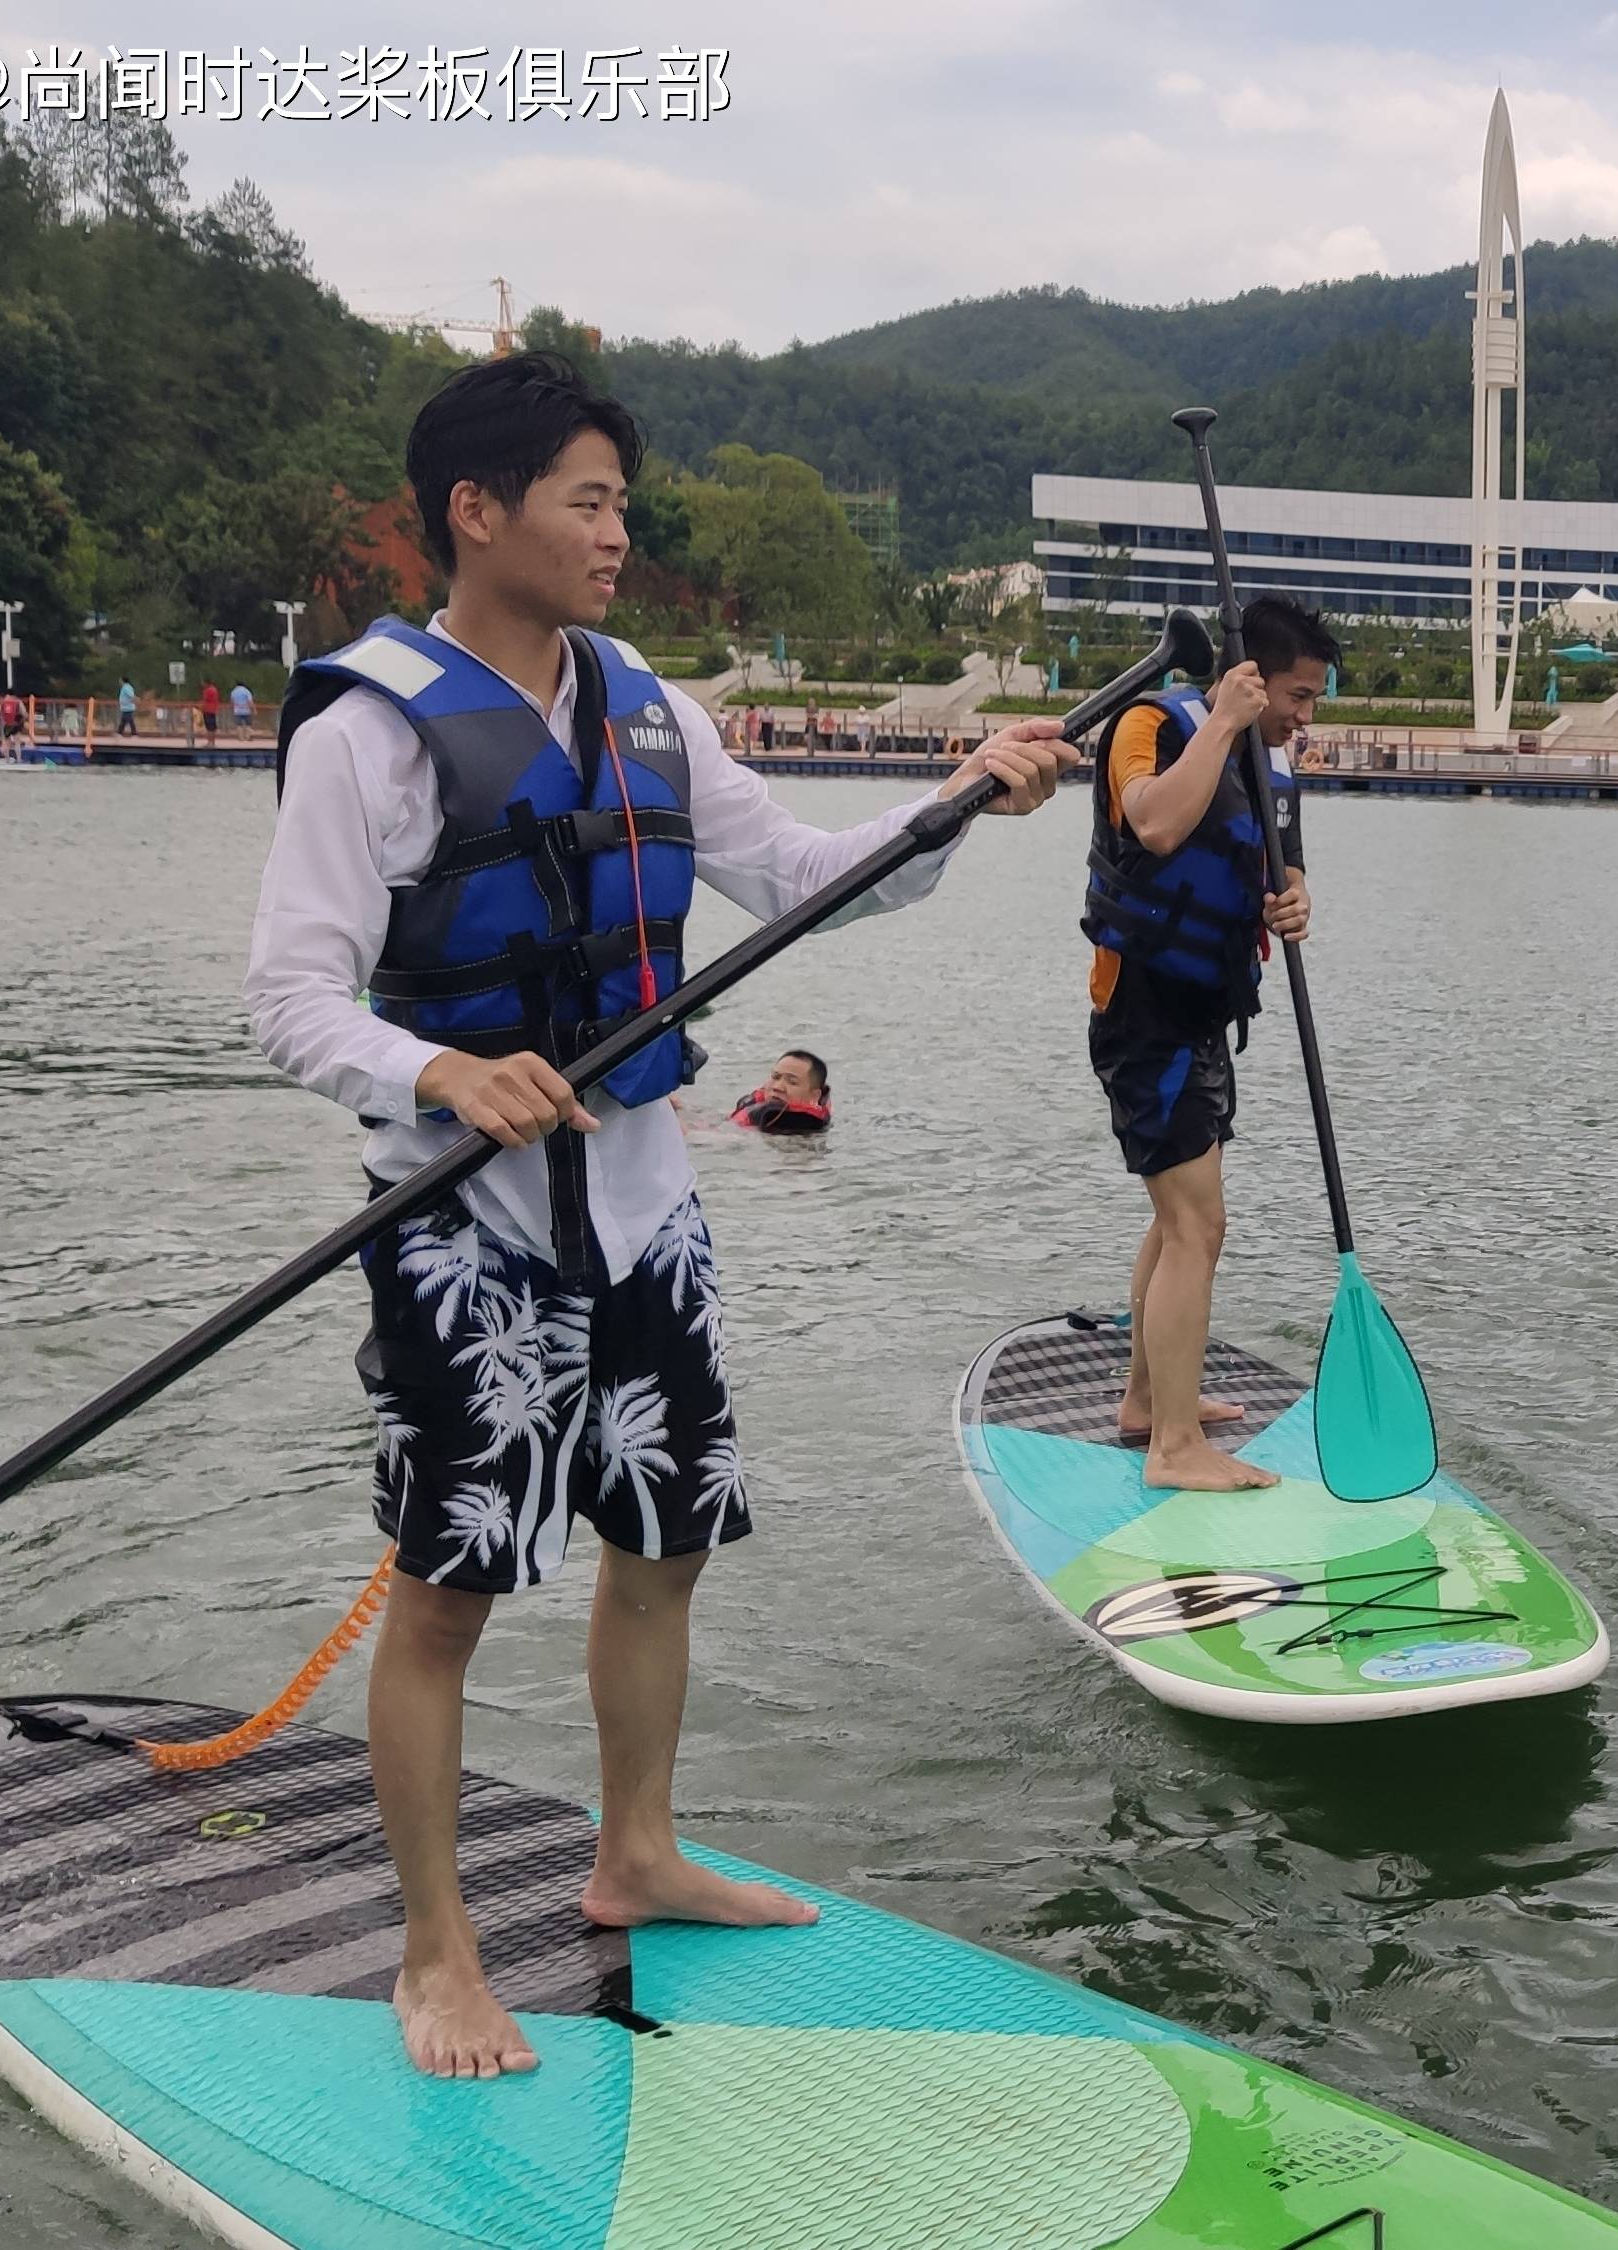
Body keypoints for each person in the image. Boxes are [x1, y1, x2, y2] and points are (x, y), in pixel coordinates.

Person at [245, 350, 1069, 2081]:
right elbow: (291, 998)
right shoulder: (370, 734)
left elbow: (807, 878)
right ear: (477, 514)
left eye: (623, 499)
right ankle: (436, 1954)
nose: (620, 532)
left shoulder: (646, 710)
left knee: (664, 1544)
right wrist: (442, 1075)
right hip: (463, 1231)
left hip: (642, 1206)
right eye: (588, 499)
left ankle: (635, 1852)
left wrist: (960, 803)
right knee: (451, 1594)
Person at [1082, 592, 1324, 1489]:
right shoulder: (1148, 725)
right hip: (1141, 1012)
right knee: (1197, 1225)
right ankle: (1174, 1450)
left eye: (1312, 702)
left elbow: (1283, 865)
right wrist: (1220, 723)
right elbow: (1153, 822)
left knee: (1180, 1221)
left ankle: (1148, 1403)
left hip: (1207, 1014)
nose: (1303, 718)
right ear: (1251, 680)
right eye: (1296, 697)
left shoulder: (1274, 766)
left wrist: (1293, 897)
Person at [727, 1049, 832, 1134]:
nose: (777, 1087)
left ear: (814, 1096)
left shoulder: (801, 1131)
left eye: (792, 1082)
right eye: (775, 1077)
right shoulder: (759, 1106)